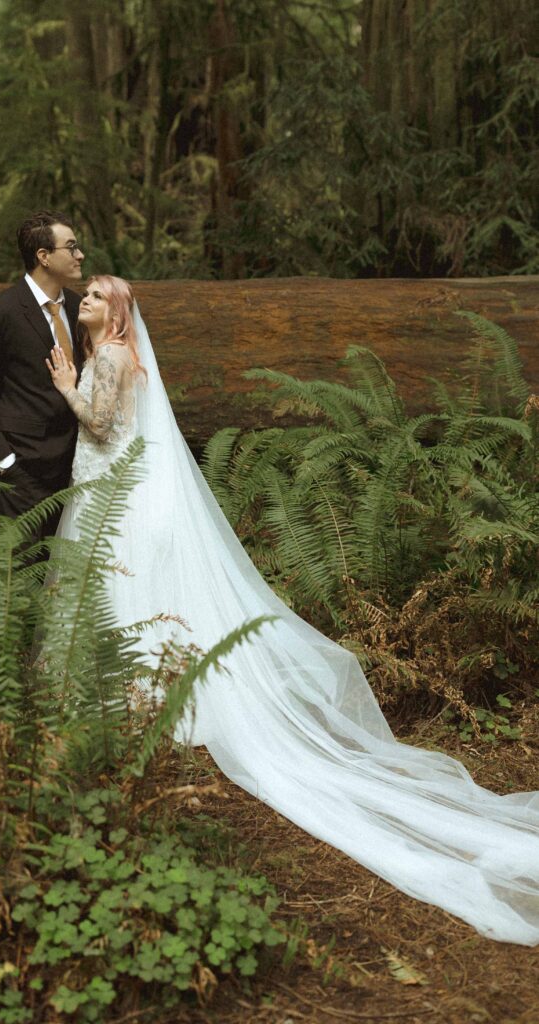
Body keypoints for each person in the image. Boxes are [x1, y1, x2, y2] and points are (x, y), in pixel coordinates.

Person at [47, 275, 539, 947]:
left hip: (121, 503)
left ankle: (133, 703)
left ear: (120, 312)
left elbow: (99, 425)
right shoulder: (127, 360)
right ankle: (150, 697)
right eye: (81, 300)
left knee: (122, 592)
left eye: (95, 300)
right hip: (132, 496)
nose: (84, 307)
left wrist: (64, 386)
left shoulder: (107, 358)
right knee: (145, 599)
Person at [0, 211, 85, 543]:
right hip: (20, 472)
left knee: (64, 579)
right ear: (43, 256)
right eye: (70, 247)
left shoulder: (78, 306)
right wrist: (5, 463)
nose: (79, 255)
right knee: (19, 578)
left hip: (74, 468)